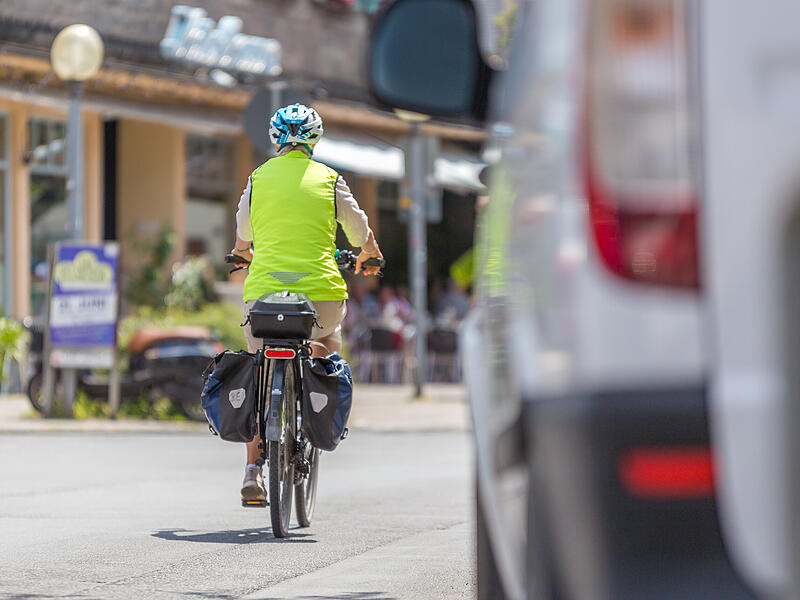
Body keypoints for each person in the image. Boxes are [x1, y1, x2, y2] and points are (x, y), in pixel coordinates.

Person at [230, 103, 383, 504]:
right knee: (328, 339)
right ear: (315, 139)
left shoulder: (259, 177)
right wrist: (369, 251)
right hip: (320, 299)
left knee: (259, 372)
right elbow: (358, 227)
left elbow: (243, 231)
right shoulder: (330, 179)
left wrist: (241, 251)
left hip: (263, 300)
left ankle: (252, 470)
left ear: (275, 138)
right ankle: (318, 395)